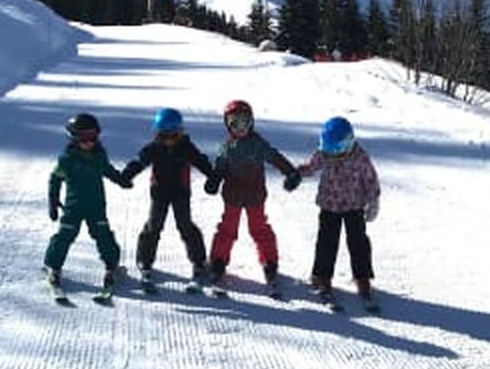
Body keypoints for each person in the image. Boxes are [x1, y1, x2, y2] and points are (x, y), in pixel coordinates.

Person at [204, 100, 301, 288]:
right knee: (227, 229)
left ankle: (269, 262)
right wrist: (214, 180)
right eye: (234, 123)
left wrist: (290, 171)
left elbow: (275, 157)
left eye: (245, 122)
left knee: (259, 228)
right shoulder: (227, 147)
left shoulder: (258, 144)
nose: (240, 128)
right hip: (233, 196)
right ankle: (218, 262)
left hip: (255, 196)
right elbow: (220, 167)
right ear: (227, 125)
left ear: (252, 122)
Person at [121, 108, 214, 290]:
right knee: (153, 226)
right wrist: (126, 175)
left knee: (185, 225)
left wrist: (213, 177)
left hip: (180, 192)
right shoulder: (153, 148)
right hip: (159, 193)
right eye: (165, 136)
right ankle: (144, 262)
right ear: (157, 134)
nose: (170, 140)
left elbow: (201, 161)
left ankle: (199, 262)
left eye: (174, 135)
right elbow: (138, 162)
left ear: (181, 133)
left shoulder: (186, 147)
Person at [44, 113, 132, 291]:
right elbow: (55, 178)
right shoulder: (67, 159)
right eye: (84, 138)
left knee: (103, 235)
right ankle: (53, 266)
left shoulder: (99, 155)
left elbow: (106, 169)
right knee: (65, 235)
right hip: (73, 206)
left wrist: (120, 179)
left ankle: (112, 266)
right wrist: (53, 200)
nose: (89, 142)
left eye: (92, 137)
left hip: (96, 205)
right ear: (74, 138)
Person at [298, 116, 380, 304]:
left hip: (354, 206)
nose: (334, 155)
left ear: (349, 142)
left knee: (358, 243)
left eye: (339, 150)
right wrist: (297, 173)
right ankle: (321, 276)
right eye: (329, 149)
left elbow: (370, 179)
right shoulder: (324, 154)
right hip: (329, 205)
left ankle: (363, 277)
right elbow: (312, 167)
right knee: (326, 242)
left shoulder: (360, 157)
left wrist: (373, 200)